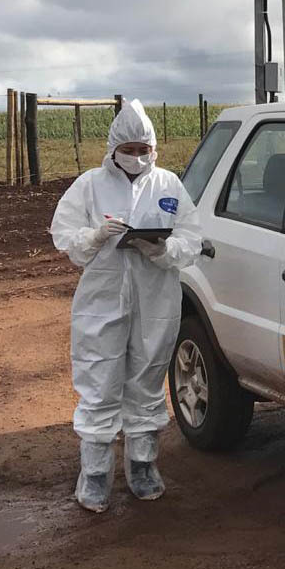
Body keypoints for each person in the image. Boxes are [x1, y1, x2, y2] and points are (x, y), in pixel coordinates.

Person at [51, 99, 202, 513]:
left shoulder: (170, 184)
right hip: (102, 300)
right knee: (99, 382)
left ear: (153, 150)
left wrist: (162, 249)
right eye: (129, 149)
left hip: (156, 299)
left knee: (148, 379)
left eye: (143, 150)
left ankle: (142, 466)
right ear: (113, 148)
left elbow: (192, 239)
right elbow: (63, 233)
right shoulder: (89, 185)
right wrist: (96, 236)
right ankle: (96, 475)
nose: (136, 157)